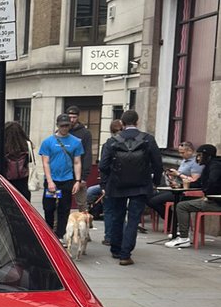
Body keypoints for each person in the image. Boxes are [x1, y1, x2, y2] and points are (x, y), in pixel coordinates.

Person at [99, 109, 163, 265]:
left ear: (121, 123)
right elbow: (157, 163)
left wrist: (105, 184)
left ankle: (115, 248)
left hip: (117, 184)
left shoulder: (112, 141)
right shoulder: (147, 139)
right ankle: (125, 254)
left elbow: (103, 165)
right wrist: (155, 182)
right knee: (133, 219)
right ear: (137, 121)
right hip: (140, 185)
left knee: (117, 216)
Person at [166, 144, 221, 248]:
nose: (198, 158)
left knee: (182, 206)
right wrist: (181, 185)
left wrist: (208, 195)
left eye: (200, 155)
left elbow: (213, 182)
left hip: (216, 202)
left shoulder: (215, 166)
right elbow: (199, 183)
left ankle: (183, 238)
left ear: (207, 156)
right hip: (213, 199)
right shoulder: (209, 166)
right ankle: (181, 232)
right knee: (180, 203)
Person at [38, 113, 84, 240]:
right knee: (49, 207)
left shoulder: (75, 142)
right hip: (53, 180)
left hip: (67, 180)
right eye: (62, 125)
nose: (65, 128)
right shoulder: (48, 142)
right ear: (57, 125)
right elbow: (45, 162)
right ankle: (49, 232)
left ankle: (60, 235)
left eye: (67, 126)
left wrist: (77, 180)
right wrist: (50, 181)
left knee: (64, 208)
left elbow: (77, 162)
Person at [147, 140, 204, 240]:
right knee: (150, 197)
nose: (181, 154)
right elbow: (181, 177)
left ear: (190, 151)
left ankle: (171, 222)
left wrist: (178, 174)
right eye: (179, 152)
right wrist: (173, 179)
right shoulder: (184, 161)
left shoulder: (196, 162)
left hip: (187, 191)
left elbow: (194, 181)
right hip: (178, 187)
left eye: (183, 152)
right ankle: (171, 221)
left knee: (154, 201)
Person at [66, 107, 93, 208]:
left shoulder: (85, 133)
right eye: (70, 117)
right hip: (64, 173)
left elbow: (87, 155)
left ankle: (85, 223)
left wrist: (84, 177)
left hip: (78, 173)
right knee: (60, 203)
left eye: (74, 117)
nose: (72, 120)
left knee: (82, 204)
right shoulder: (61, 132)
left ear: (78, 117)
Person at [3, 120, 33, 200]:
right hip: (23, 182)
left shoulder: (1, 145)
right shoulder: (27, 145)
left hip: (6, 182)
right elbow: (30, 161)